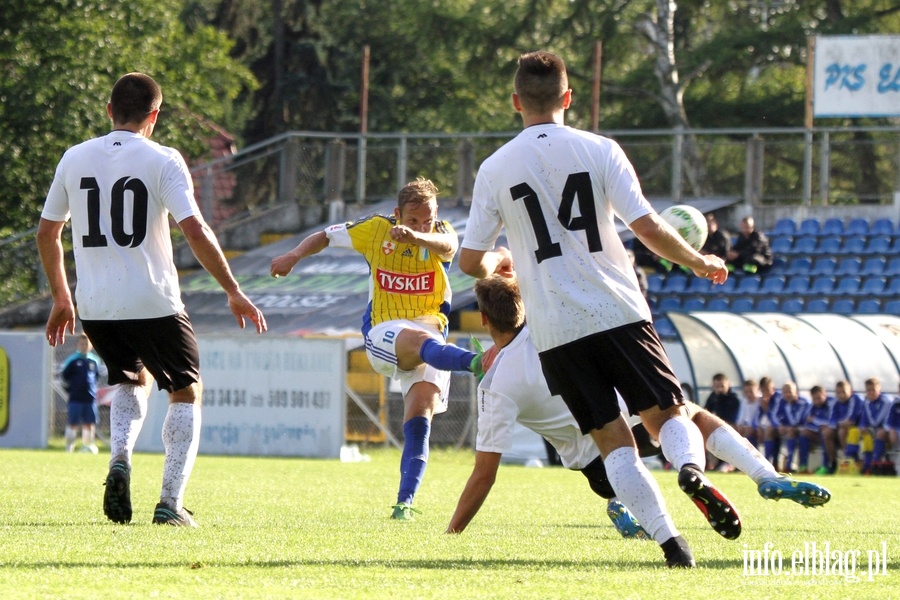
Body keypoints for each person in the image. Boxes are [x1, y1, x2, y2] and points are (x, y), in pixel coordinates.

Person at [458, 50, 741, 568]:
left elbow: (470, 260)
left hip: (552, 328)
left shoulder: (494, 167)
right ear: (568, 98)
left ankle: (672, 544)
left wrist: (498, 264)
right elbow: (648, 228)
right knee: (665, 415)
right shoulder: (601, 148)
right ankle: (689, 469)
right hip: (618, 308)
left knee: (613, 443)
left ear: (516, 101)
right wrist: (699, 261)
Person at [37, 73, 268, 528]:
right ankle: (169, 502)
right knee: (185, 390)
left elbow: (48, 232)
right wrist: (233, 290)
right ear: (154, 116)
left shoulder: (74, 157)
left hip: (96, 305)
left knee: (128, 379)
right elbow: (195, 228)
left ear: (109, 110)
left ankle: (120, 457)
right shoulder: (164, 159)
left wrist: (62, 297)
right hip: (154, 298)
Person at [445, 276, 829, 536]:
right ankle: (765, 476)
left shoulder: (495, 384)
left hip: (592, 465)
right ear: (523, 307)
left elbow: (484, 475)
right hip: (625, 425)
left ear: (483, 320)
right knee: (689, 414)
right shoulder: (552, 327)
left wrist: (452, 532)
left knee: (619, 485)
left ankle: (629, 514)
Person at [270, 177, 482, 520]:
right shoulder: (375, 229)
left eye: (426, 219)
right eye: (412, 220)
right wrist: (293, 256)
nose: (421, 225)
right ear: (397, 214)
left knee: (420, 415)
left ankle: (404, 503)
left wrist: (419, 235)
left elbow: (447, 248)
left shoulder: (441, 231)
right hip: (385, 330)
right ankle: (478, 363)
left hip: (431, 333)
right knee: (420, 342)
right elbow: (325, 235)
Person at [59, 333, 105, 454]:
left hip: (90, 398)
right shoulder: (73, 360)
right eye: (82, 343)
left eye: (87, 344)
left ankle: (88, 446)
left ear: (91, 345)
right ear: (78, 344)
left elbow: (96, 377)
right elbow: (64, 377)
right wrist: (70, 390)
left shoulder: (94, 360)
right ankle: (69, 447)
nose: (84, 346)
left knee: (89, 423)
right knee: (73, 423)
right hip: (75, 398)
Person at [703, 373, 741, 470]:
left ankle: (728, 463)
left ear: (728, 385)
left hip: (730, 429)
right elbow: (705, 412)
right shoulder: (712, 398)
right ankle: (706, 463)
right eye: (716, 387)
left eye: (722, 386)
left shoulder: (733, 399)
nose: (719, 389)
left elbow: (732, 420)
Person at [856, 378, 893, 474]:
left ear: (879, 389)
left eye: (873, 390)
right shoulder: (867, 402)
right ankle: (859, 463)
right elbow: (863, 419)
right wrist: (862, 427)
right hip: (875, 429)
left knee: (879, 433)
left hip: (889, 429)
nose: (871, 393)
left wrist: (869, 427)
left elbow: (878, 421)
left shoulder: (886, 401)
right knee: (856, 432)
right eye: (868, 390)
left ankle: (875, 463)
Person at [775, 382, 810, 473]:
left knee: (797, 433)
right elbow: (776, 416)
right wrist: (780, 426)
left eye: (790, 392)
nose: (787, 394)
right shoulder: (782, 402)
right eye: (785, 392)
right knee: (769, 431)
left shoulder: (803, 402)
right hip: (790, 429)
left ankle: (800, 466)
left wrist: (787, 427)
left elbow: (797, 421)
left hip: (805, 429)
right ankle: (774, 464)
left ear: (796, 392)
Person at [803, 385, 837, 475]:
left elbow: (831, 421)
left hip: (834, 431)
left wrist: (815, 420)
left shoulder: (832, 403)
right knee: (804, 433)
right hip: (820, 431)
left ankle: (827, 465)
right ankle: (803, 466)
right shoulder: (812, 405)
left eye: (819, 398)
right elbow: (807, 421)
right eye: (814, 399)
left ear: (824, 394)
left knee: (825, 432)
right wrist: (819, 424)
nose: (817, 401)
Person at [831, 380, 864, 464]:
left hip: (859, 428)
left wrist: (839, 424)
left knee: (842, 431)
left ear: (850, 391)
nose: (841, 395)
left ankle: (850, 457)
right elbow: (832, 420)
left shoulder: (856, 399)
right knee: (827, 433)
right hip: (842, 428)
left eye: (843, 392)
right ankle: (831, 463)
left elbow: (851, 420)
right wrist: (838, 424)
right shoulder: (836, 403)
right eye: (838, 393)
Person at [755, 377, 783, 466]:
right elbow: (757, 417)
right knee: (751, 431)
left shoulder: (778, 398)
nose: (765, 393)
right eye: (763, 391)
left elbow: (775, 419)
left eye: (767, 390)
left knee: (769, 431)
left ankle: (767, 462)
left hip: (782, 426)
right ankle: (753, 462)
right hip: (770, 427)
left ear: (773, 388)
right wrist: (757, 426)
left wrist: (766, 408)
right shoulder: (762, 400)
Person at [736, 379, 761, 448]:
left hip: (760, 426)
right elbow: (741, 416)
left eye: (751, 392)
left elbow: (761, 418)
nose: (749, 394)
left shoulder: (760, 401)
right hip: (750, 426)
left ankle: (753, 453)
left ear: (757, 390)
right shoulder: (744, 401)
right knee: (738, 429)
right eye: (746, 392)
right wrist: (740, 425)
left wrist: (753, 426)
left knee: (749, 430)